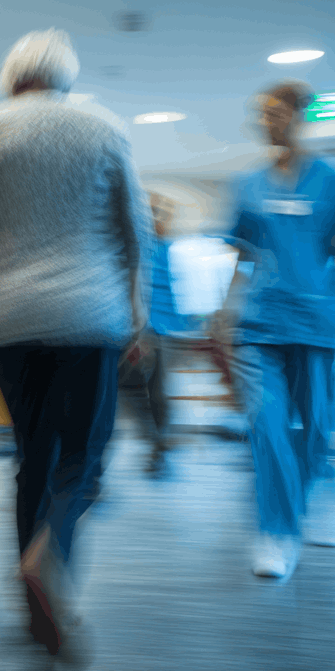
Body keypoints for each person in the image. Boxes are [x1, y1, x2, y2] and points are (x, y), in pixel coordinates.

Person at [0, 29, 152, 662]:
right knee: (82, 460)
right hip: (91, 318)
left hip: (9, 322)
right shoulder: (106, 129)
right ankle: (47, 559)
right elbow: (137, 232)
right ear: (66, 78)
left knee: (32, 459)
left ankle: (38, 609)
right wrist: (140, 318)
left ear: (12, 75)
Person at [220, 80, 335, 581]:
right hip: (261, 324)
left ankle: (321, 485)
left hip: (317, 321)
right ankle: (277, 532)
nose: (266, 122)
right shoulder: (247, 185)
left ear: (300, 116)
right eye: (260, 114)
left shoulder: (334, 180)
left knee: (317, 426)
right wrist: (223, 312)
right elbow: (242, 256)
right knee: (266, 423)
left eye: (274, 112)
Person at [117, 193, 182, 476]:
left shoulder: (165, 250)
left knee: (156, 394)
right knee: (131, 392)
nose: (158, 220)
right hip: (138, 331)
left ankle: (159, 443)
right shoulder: (134, 249)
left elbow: (169, 294)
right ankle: (157, 441)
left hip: (163, 332)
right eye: (153, 213)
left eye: (162, 213)